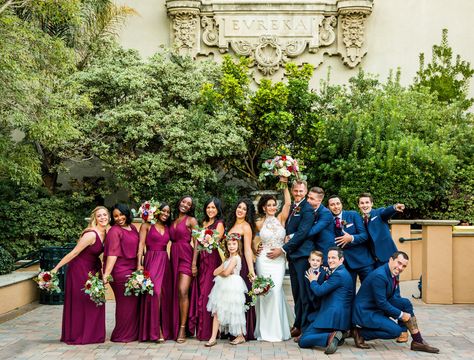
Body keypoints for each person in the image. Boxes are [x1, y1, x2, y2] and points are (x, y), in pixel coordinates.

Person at [352, 251, 440, 354]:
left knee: (405, 303)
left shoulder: (393, 272)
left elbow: (391, 298)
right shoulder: (380, 276)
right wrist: (401, 315)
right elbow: (382, 303)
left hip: (377, 306)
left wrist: (402, 313)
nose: (400, 268)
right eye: (399, 263)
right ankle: (360, 333)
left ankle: (417, 341)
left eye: (404, 266)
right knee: (394, 331)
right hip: (366, 312)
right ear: (390, 260)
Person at [52, 206, 109, 345]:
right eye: (99, 216)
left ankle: (93, 334)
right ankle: (78, 333)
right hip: (79, 269)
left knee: (95, 300)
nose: (102, 218)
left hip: (93, 269)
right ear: (95, 218)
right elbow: (74, 253)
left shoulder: (106, 233)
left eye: (105, 215)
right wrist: (56, 268)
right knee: (82, 300)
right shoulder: (90, 234)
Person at [267, 180, 314, 339]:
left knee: (304, 293)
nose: (298, 193)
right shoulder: (294, 206)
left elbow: (303, 233)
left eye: (301, 191)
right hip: (293, 256)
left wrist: (282, 249)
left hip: (302, 255)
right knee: (296, 292)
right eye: (296, 191)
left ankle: (306, 328)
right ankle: (298, 324)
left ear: (306, 191)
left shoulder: (307, 209)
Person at [254, 178, 294, 342]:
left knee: (276, 291)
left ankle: (278, 330)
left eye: (273, 205)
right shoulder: (258, 222)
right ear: (263, 207)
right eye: (268, 205)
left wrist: (284, 183)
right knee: (266, 292)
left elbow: (288, 203)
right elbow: (254, 239)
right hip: (263, 260)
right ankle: (265, 330)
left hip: (278, 261)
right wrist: (256, 246)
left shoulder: (281, 218)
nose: (272, 207)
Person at [298, 247, 354, 355]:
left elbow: (319, 291)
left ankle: (330, 337)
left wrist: (313, 281)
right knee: (311, 317)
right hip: (340, 316)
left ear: (341, 260)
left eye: (333, 258)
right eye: (328, 258)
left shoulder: (338, 274)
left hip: (331, 315)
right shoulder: (341, 271)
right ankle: (336, 336)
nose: (330, 260)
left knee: (303, 340)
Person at [103, 203, 140, 342]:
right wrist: (106, 274)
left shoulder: (133, 228)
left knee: (133, 304)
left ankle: (132, 333)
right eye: (115, 216)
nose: (119, 218)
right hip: (119, 271)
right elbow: (112, 254)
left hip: (132, 269)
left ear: (127, 213)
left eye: (121, 215)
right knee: (125, 304)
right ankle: (121, 335)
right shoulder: (114, 231)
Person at [188, 198, 224, 341]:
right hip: (202, 261)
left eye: (213, 208)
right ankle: (202, 330)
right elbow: (196, 244)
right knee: (201, 295)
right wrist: (194, 263)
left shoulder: (219, 224)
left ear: (218, 209)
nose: (210, 210)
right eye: (208, 207)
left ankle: (209, 333)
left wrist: (204, 238)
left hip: (213, 261)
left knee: (208, 295)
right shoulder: (203, 223)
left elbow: (215, 242)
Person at [137, 202, 173, 342]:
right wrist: (139, 264)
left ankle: (165, 328)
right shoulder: (146, 225)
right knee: (155, 293)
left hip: (165, 262)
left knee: (164, 295)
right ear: (156, 211)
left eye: (168, 212)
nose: (165, 214)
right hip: (151, 260)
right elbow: (140, 245)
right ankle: (155, 329)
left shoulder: (168, 227)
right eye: (163, 211)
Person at [205, 233, 248, 347]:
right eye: (229, 244)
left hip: (233, 286)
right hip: (223, 287)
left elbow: (225, 272)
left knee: (234, 311)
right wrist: (223, 271)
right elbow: (215, 272)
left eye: (234, 244)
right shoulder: (227, 259)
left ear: (238, 245)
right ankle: (213, 338)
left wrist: (223, 271)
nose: (231, 246)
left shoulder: (235, 258)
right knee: (217, 311)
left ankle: (240, 336)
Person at [227, 198, 257, 340]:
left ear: (247, 212)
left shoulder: (246, 227)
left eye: (244, 209)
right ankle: (232, 330)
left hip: (242, 266)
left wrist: (251, 270)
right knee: (231, 297)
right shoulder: (231, 225)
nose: (241, 210)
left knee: (241, 298)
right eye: (239, 207)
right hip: (230, 264)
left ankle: (243, 333)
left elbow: (247, 250)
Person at [169, 195, 198, 343]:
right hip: (173, 257)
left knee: (183, 290)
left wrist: (194, 264)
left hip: (186, 257)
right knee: (175, 293)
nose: (185, 205)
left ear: (191, 207)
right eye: (183, 201)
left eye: (188, 204)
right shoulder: (172, 220)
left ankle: (182, 328)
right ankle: (174, 325)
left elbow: (197, 242)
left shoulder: (191, 221)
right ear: (179, 202)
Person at [328, 195, 374, 285]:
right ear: (328, 207)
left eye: (338, 203)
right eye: (332, 204)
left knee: (370, 290)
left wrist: (351, 238)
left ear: (341, 204)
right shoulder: (328, 220)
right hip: (346, 264)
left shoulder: (353, 215)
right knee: (348, 293)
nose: (336, 206)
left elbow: (365, 235)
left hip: (363, 261)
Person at [358, 193, 404, 267]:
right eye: (362, 203)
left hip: (388, 256)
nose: (365, 205)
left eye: (367, 202)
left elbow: (386, 212)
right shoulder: (359, 220)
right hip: (373, 261)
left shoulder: (378, 213)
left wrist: (394, 207)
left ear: (372, 204)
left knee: (392, 278)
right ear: (359, 205)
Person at [306, 187, 335, 262]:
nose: (308, 200)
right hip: (311, 250)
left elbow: (312, 231)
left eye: (311, 199)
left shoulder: (326, 213)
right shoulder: (307, 210)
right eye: (308, 197)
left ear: (320, 200)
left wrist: (293, 236)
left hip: (324, 252)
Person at [305, 250, 327, 322]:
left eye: (318, 261)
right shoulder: (306, 272)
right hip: (309, 300)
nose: (315, 262)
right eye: (313, 260)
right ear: (309, 260)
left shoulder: (324, 272)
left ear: (321, 262)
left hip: (320, 300)